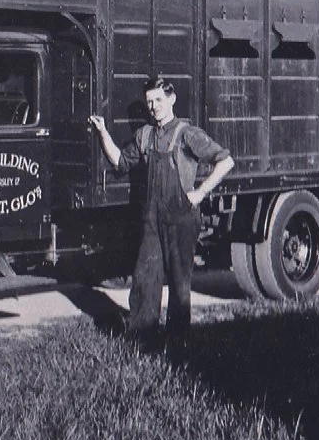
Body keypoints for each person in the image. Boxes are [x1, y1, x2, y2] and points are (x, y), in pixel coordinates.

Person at [88, 77, 234, 358]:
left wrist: (200, 193)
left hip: (181, 216)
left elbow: (225, 161)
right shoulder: (145, 135)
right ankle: (141, 337)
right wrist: (103, 132)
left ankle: (178, 342)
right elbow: (119, 161)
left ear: (172, 99)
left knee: (180, 283)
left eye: (158, 100)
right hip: (151, 217)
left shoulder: (187, 133)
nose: (153, 107)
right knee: (145, 276)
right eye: (150, 102)